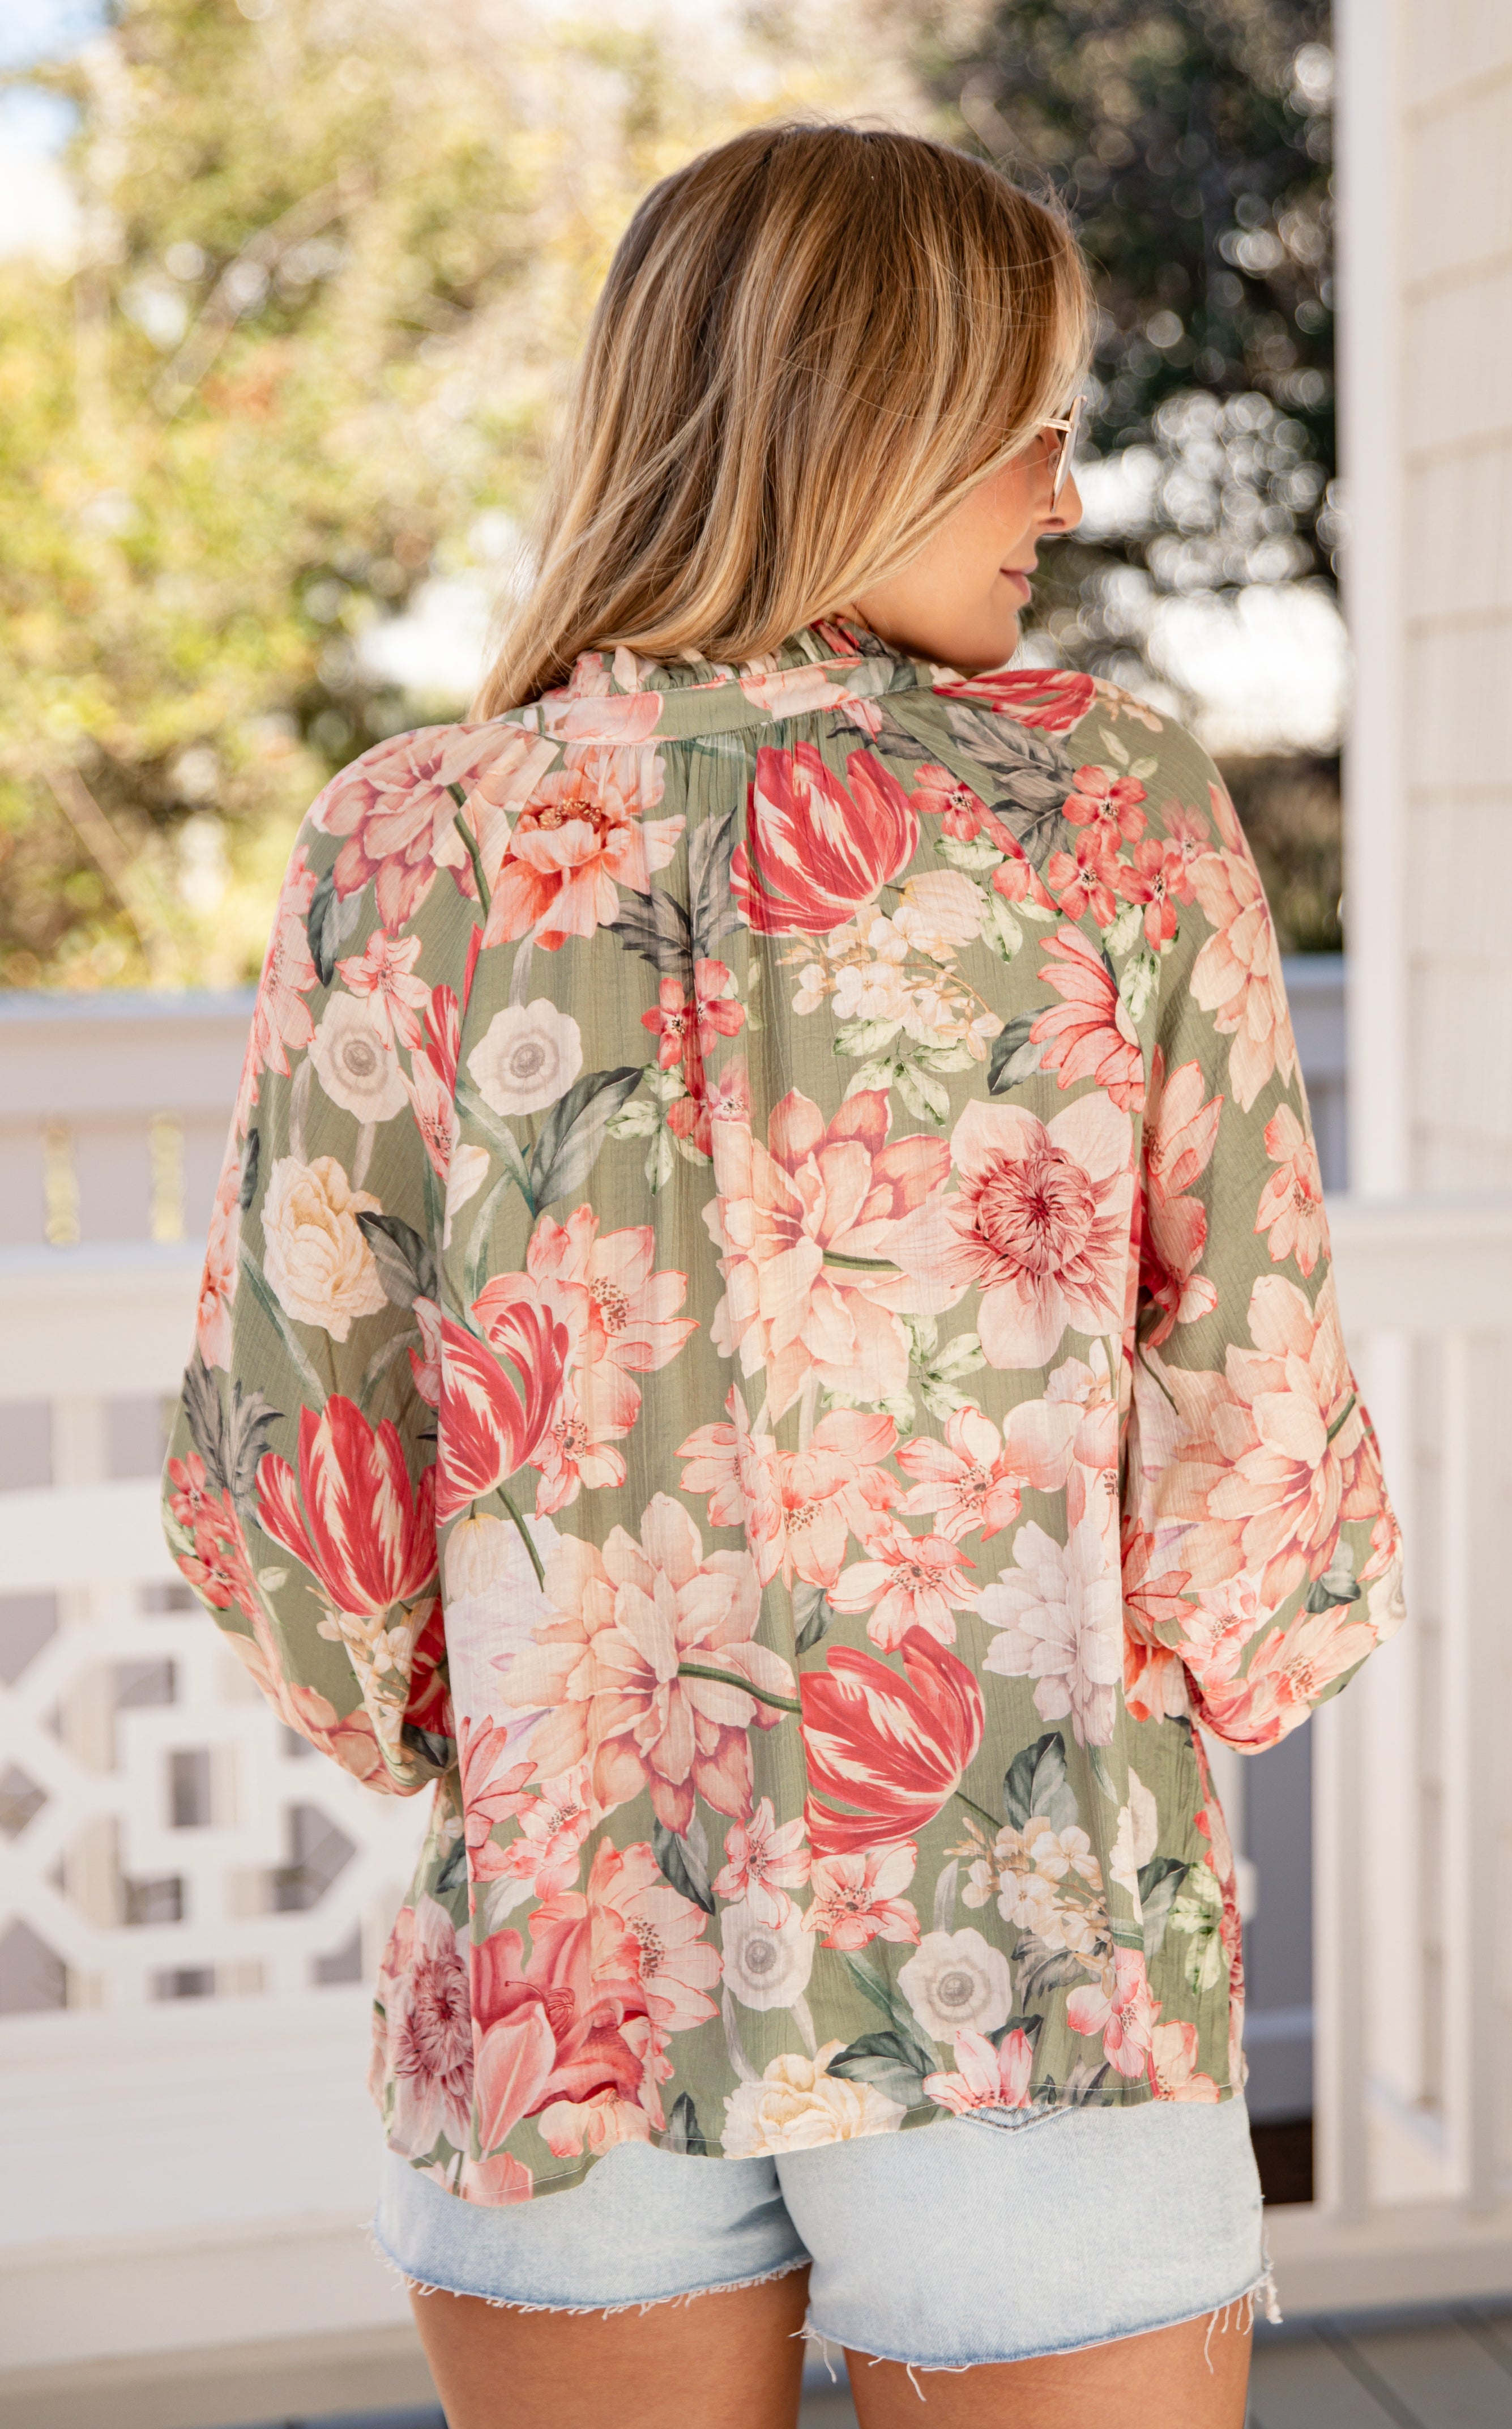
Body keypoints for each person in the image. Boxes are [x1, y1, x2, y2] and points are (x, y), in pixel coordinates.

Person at [163, 123, 1404, 2429]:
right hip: (1028, 1967)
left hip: (565, 1983)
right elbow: (1251, 1447)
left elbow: (293, 1484)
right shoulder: (1107, 807)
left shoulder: (401, 840)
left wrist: (509, 1735)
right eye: (1028, 420)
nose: (1063, 490)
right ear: (869, 423)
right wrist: (1188, 1670)